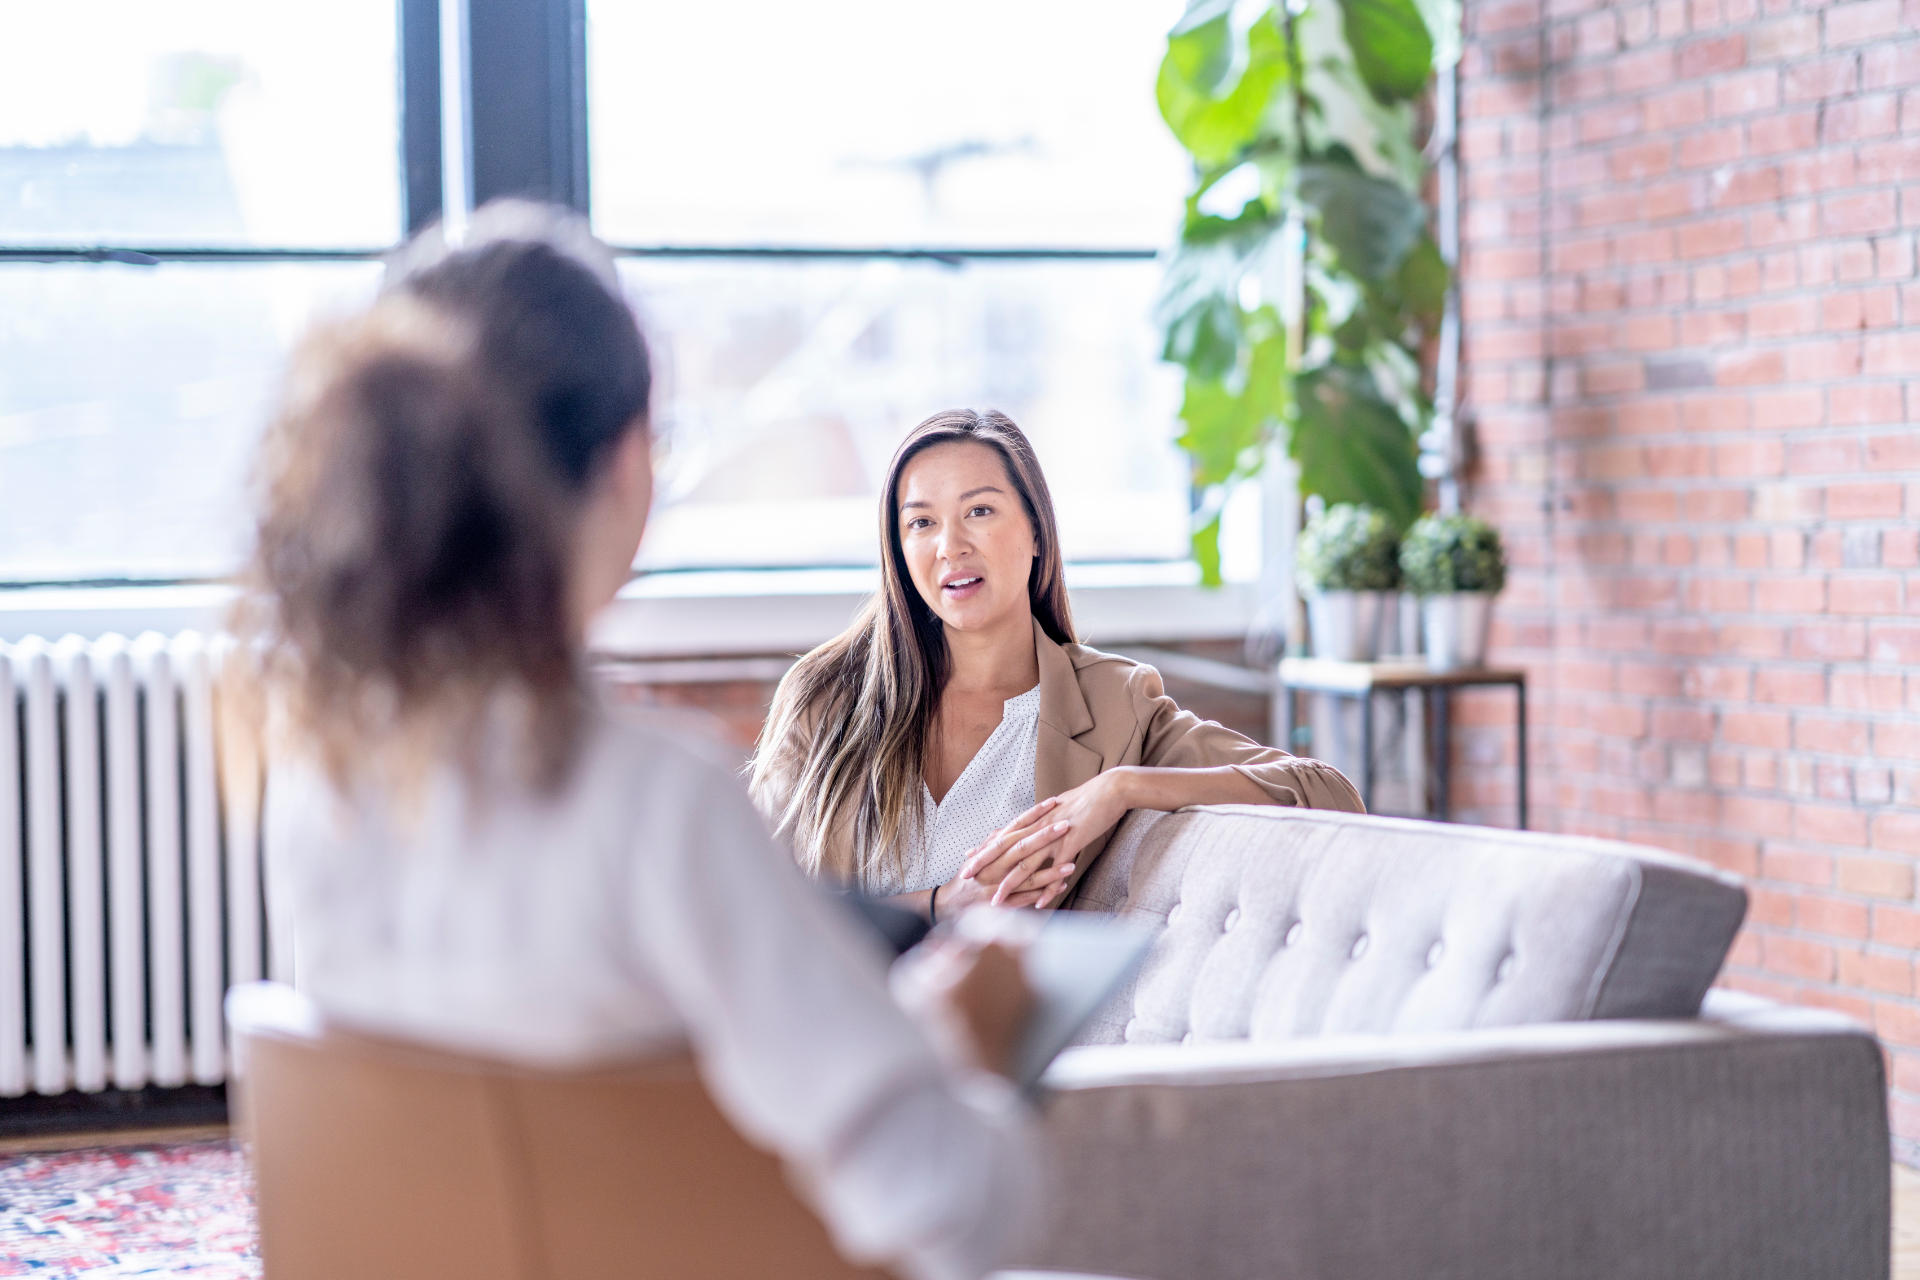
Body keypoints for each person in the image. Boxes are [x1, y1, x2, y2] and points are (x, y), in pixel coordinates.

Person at [242, 203, 1043, 1280]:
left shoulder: (322, 780)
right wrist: (962, 1048)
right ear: (626, 462)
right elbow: (958, 1204)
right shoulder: (659, 801)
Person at [751, 409, 1364, 921]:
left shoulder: (1113, 703)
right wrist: (942, 906)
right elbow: (750, 903)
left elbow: (1328, 793)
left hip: (1016, 1047)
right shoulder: (825, 697)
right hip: (844, 1033)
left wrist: (1122, 786)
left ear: (1038, 530)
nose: (951, 545)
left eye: (981, 511)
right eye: (921, 522)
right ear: (900, 549)